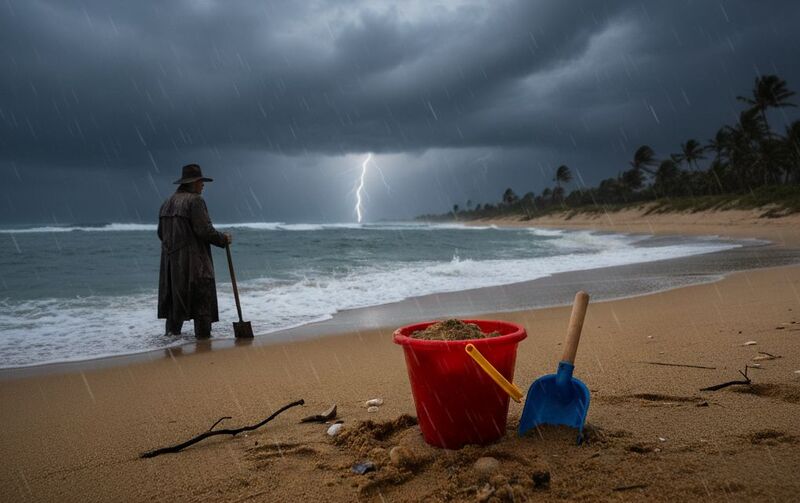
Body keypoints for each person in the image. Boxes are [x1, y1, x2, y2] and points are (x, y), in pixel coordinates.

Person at [157, 164, 232, 338]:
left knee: (174, 307)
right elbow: (203, 230)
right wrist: (223, 238)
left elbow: (161, 234)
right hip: (195, 265)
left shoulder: (167, 203)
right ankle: (203, 343)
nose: (203, 185)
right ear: (191, 183)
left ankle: (171, 344)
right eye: (200, 181)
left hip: (171, 267)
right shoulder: (195, 201)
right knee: (202, 305)